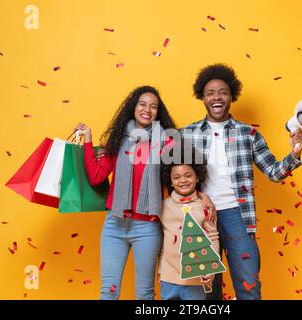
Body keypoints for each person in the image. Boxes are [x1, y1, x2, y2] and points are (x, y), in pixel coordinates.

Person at [181, 64, 302, 300]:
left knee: (248, 285)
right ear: (202, 97)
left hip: (237, 215)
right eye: (210, 92)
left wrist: (296, 153)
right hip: (200, 216)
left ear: (231, 96)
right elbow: (172, 177)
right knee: (205, 289)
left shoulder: (248, 134)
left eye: (223, 92)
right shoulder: (186, 134)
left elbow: (273, 171)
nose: (216, 97)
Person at [75, 85, 215, 300]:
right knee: (108, 292)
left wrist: (202, 195)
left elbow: (184, 173)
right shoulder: (117, 140)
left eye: (153, 107)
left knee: (144, 294)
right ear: (133, 107)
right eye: (142, 104)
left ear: (158, 112)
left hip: (147, 227)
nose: (147, 110)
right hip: (114, 224)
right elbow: (96, 177)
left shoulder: (167, 142)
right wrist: (88, 140)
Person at [158, 145, 219, 300]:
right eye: (177, 177)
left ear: (197, 177)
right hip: (168, 277)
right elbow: (162, 243)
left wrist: (211, 269)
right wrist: (159, 270)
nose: (183, 180)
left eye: (188, 175)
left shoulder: (205, 207)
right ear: (170, 181)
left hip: (195, 279)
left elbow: (213, 238)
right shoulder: (163, 206)